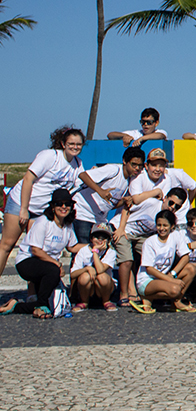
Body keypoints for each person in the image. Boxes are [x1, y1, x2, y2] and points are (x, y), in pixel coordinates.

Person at [0, 126, 85, 276]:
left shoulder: (77, 164)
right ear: (63, 144)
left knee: (35, 250)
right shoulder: (50, 156)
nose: (75, 147)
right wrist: (24, 209)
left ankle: (33, 295)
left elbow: (83, 182)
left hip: (41, 211)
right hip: (22, 202)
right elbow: (28, 179)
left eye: (78, 144)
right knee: (7, 245)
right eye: (71, 143)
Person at [1, 189, 83, 318]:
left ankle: (16, 306)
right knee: (52, 271)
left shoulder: (68, 225)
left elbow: (72, 247)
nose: (64, 207)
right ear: (52, 207)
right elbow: (36, 250)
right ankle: (40, 307)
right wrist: (56, 263)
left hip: (47, 266)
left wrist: (92, 246)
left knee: (52, 305)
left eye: (67, 204)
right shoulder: (43, 222)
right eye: (59, 204)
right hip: (27, 261)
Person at [114, 186, 188, 307]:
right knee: (127, 260)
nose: (173, 207)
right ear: (165, 199)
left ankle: (154, 288)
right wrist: (121, 228)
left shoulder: (169, 217)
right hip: (124, 230)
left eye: (177, 206)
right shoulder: (151, 203)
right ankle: (125, 294)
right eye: (171, 203)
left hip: (140, 236)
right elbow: (127, 206)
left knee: (154, 255)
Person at [71, 146, 144, 243]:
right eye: (134, 164)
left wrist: (123, 201)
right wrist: (100, 191)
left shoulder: (130, 181)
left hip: (99, 219)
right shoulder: (114, 170)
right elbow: (83, 175)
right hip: (83, 212)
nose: (137, 168)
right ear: (125, 161)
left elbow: (111, 204)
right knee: (84, 249)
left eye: (140, 165)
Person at [132, 209, 196, 314]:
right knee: (175, 289)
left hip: (164, 277)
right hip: (147, 280)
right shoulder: (150, 242)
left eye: (165, 225)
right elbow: (149, 269)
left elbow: (185, 256)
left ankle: (176, 302)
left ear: (172, 226)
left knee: (191, 269)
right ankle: (147, 296)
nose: (161, 228)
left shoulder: (175, 236)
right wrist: (169, 280)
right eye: (159, 225)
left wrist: (173, 274)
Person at [69, 224, 118, 313]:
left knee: (102, 276)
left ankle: (106, 301)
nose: (100, 240)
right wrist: (86, 269)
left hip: (103, 288)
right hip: (87, 288)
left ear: (108, 240)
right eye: (97, 237)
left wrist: (95, 251)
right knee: (85, 276)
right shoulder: (83, 251)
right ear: (91, 238)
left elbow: (100, 270)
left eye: (104, 238)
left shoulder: (111, 252)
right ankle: (84, 301)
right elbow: (73, 274)